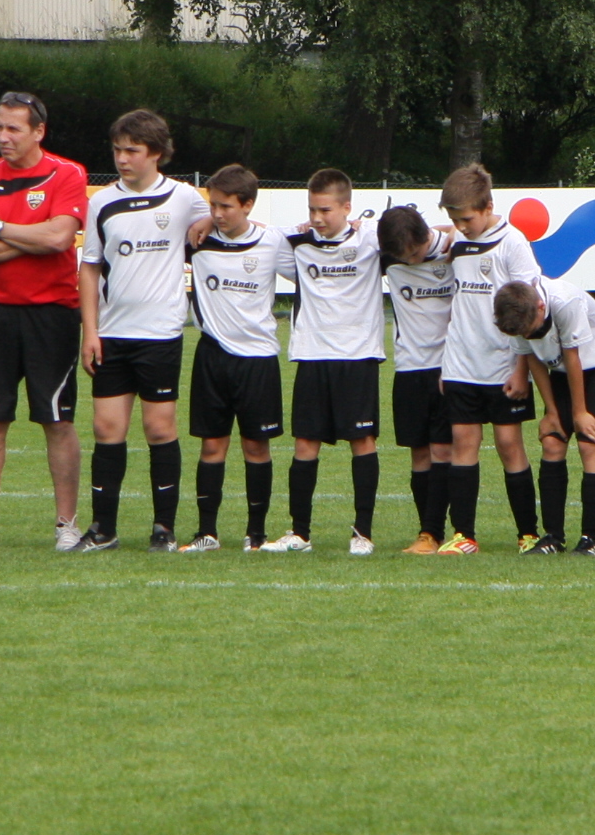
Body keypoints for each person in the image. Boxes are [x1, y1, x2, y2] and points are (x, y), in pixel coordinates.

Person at [0, 91, 88, 553]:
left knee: (58, 419)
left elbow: (59, 238)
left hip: (53, 312)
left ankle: (67, 525)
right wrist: (32, 238)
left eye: (13, 128)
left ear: (38, 132)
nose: (3, 136)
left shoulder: (67, 173)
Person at [80, 108, 210, 551]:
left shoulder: (184, 197)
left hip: (160, 335)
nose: (122, 158)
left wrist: (207, 221)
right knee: (106, 429)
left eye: (132, 150)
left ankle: (163, 529)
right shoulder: (101, 202)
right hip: (112, 335)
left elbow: (224, 214)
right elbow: (90, 267)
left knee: (159, 428)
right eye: (117, 150)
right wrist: (90, 331)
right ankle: (103, 530)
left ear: (156, 153)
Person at [435, 162, 542, 554]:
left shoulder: (513, 243)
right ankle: (464, 535)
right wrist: (447, 364)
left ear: (488, 207)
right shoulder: (457, 241)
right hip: (461, 362)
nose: (460, 226)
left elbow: (529, 307)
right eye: (454, 220)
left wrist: (520, 369)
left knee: (509, 445)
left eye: (466, 219)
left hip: (503, 366)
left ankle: (528, 534)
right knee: (463, 442)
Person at [184, 163, 291, 552]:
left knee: (256, 447)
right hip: (212, 355)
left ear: (247, 205)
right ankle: (206, 533)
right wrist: (203, 220)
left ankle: (256, 534)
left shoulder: (273, 241)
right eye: (212, 205)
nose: (217, 213)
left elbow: (314, 269)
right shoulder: (196, 240)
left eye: (226, 206)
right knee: (212, 446)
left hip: (257, 360)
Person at [282, 169, 386, 555]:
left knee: (362, 440)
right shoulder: (297, 242)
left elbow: (420, 233)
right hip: (312, 354)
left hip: (357, 356)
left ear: (347, 207)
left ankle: (363, 533)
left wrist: (368, 226)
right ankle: (299, 533)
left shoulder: (371, 239)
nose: (317, 218)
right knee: (305, 442)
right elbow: (251, 232)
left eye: (325, 210)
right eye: (312, 209)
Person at [494, 274, 595, 555]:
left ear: (541, 307)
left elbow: (572, 356)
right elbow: (532, 357)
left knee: (589, 442)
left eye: (531, 330)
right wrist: (552, 412)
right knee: (553, 441)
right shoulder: (516, 313)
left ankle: (592, 539)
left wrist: (580, 413)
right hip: (560, 365)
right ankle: (553, 537)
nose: (527, 336)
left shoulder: (564, 302)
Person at [380, 203, 458, 554]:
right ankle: (427, 533)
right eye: (405, 256)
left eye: (416, 252)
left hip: (448, 368)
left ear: (427, 234)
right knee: (420, 453)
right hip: (409, 368)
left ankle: (441, 530)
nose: (412, 260)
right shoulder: (389, 258)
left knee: (443, 449)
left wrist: (453, 231)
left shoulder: (455, 249)